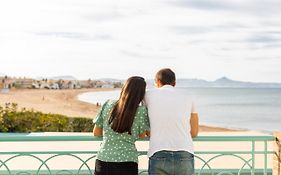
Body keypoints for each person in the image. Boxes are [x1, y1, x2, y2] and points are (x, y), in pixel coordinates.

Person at [145, 68, 199, 175]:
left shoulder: (148, 95)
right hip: (184, 151)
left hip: (158, 151)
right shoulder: (189, 96)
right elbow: (194, 132)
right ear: (174, 83)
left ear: (158, 82)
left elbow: (144, 122)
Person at [93, 76, 150, 175]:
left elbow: (96, 133)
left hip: (104, 159)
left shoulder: (108, 104)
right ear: (141, 94)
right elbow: (141, 135)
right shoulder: (141, 111)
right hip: (127, 161)